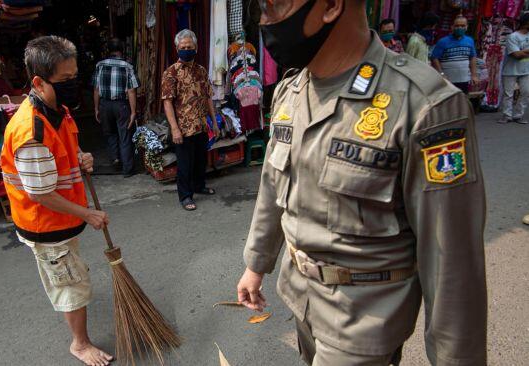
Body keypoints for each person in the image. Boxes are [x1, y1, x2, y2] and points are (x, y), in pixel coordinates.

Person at [237, 1, 487, 365]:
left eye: (274, 6)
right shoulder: (291, 90)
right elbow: (273, 188)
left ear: (331, 6)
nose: (264, 21)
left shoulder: (424, 105)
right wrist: (255, 264)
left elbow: (452, 260)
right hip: (300, 295)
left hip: (362, 320)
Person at [0, 35, 114, 366]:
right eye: (65, 80)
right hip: (47, 225)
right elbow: (40, 193)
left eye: (74, 77)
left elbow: (66, 149)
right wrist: (88, 214)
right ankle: (80, 344)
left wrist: (82, 157)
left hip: (62, 220)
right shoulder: (31, 131)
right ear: (38, 81)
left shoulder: (58, 110)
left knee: (71, 275)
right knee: (70, 283)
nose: (72, 86)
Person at [161, 29, 220, 211]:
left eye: (189, 46)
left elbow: (208, 97)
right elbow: (167, 102)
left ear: (196, 47)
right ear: (177, 48)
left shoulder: (201, 71)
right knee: (185, 164)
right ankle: (185, 196)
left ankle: (199, 186)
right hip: (183, 128)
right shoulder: (171, 73)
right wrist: (175, 128)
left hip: (201, 125)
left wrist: (215, 123)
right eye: (183, 47)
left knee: (200, 160)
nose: (186, 49)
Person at [93, 38, 140, 176]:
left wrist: (96, 108)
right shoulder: (127, 66)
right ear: (121, 50)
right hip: (121, 105)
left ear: (108, 50)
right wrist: (133, 112)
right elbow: (131, 91)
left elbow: (96, 89)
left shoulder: (100, 65)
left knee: (110, 134)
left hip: (104, 104)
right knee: (125, 136)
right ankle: (127, 169)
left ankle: (115, 159)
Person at [431, 15, 479, 94]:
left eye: (462, 26)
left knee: (462, 101)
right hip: (448, 80)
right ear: (452, 27)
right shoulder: (443, 41)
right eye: (457, 26)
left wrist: (474, 75)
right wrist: (441, 74)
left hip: (464, 80)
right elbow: (434, 58)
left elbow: (472, 57)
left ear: (466, 27)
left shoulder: (469, 41)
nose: (459, 28)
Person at [499, 13, 529, 124]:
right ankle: (507, 115)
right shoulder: (513, 36)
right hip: (510, 69)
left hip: (526, 70)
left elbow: (519, 53)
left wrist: (522, 52)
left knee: (526, 92)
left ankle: (518, 115)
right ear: (526, 23)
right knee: (508, 94)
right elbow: (516, 55)